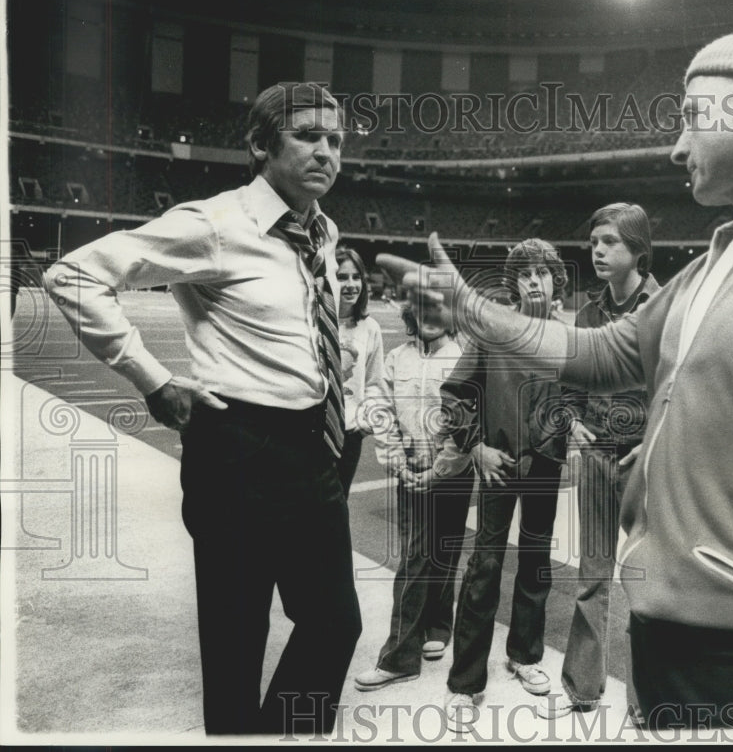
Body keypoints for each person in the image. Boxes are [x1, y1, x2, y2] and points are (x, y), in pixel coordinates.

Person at [378, 0, 733, 729]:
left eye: (689, 114)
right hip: (660, 627)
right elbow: (593, 352)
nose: (677, 146)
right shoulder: (713, 260)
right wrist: (470, 309)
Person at [43, 82, 362, 736]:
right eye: (309, 136)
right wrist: (154, 379)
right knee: (236, 645)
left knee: (335, 621)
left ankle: (280, 735)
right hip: (239, 449)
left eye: (336, 140)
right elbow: (74, 276)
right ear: (259, 144)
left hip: (311, 447)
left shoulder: (322, 231)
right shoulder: (216, 224)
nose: (327, 152)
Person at [438, 239, 569, 734]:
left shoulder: (566, 337)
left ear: (557, 281)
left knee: (535, 563)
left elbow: (576, 397)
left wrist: (564, 428)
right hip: (497, 465)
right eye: (525, 274)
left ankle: (524, 654)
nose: (534, 281)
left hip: (546, 468)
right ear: (514, 282)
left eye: (543, 273)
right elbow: (454, 393)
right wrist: (474, 446)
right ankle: (465, 681)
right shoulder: (493, 331)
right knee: (485, 565)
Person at [544, 202, 659, 722]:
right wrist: (570, 421)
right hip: (594, 457)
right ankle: (582, 690)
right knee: (592, 574)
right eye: (594, 243)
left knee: (646, 580)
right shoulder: (588, 313)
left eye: (610, 241)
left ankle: (646, 700)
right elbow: (568, 383)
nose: (598, 251)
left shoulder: (663, 310)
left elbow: (683, 390)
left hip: (644, 461)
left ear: (638, 248)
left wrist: (655, 440)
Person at [353, 295, 473, 691]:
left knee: (444, 550)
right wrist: (399, 464)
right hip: (411, 469)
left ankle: (437, 625)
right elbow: (381, 412)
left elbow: (467, 423)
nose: (430, 318)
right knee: (416, 556)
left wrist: (441, 469)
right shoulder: (397, 358)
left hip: (451, 469)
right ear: (411, 315)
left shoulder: (462, 357)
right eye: (422, 310)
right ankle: (401, 655)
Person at [336, 245, 386, 496]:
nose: (351, 284)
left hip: (349, 434)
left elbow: (375, 383)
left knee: (338, 503)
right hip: (311, 433)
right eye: (342, 277)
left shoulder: (370, 328)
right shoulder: (314, 321)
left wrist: (367, 418)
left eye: (356, 277)